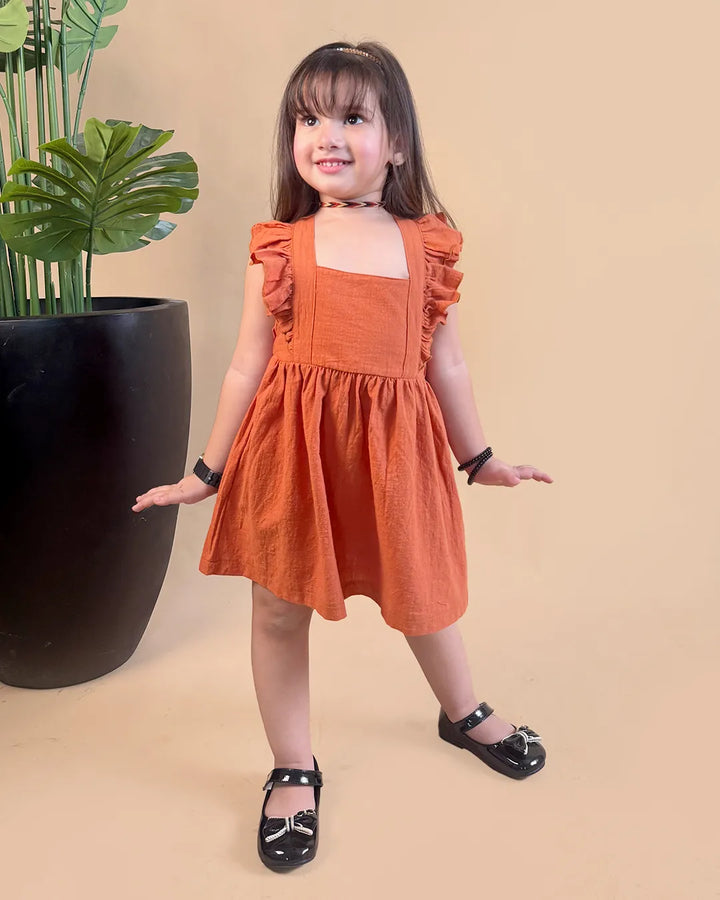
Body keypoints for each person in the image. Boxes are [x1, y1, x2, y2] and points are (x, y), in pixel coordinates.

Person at [132, 40, 553, 872]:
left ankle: (461, 710)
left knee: (423, 593)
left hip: (396, 457)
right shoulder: (280, 249)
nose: (325, 134)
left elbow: (448, 364)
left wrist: (481, 458)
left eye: (352, 116)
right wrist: (204, 473)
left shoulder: (424, 247)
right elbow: (247, 365)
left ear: (397, 142)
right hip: (294, 456)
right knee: (279, 608)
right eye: (307, 117)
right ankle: (293, 767)